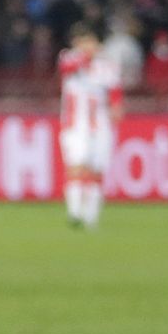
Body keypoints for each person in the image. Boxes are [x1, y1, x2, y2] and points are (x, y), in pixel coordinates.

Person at [58, 24, 122, 229]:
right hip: (75, 126)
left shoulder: (107, 65)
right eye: (83, 41)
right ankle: (74, 213)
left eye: (90, 41)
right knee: (76, 166)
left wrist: (116, 107)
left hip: (101, 126)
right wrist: (87, 56)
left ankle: (91, 218)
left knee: (96, 171)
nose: (88, 45)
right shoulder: (68, 57)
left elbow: (115, 91)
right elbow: (67, 69)